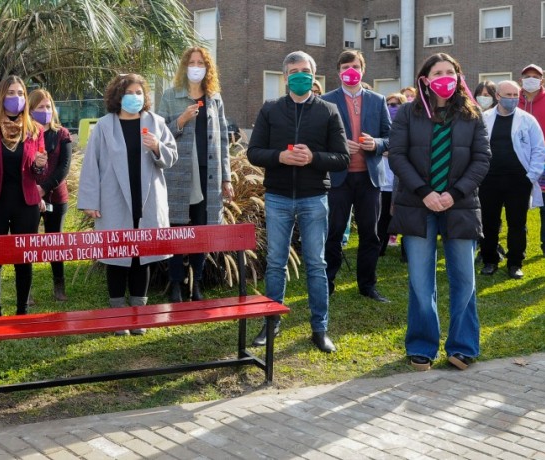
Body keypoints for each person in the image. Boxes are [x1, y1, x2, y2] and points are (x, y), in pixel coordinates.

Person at [388, 53, 490, 371]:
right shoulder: (407, 113)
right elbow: (398, 156)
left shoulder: (472, 115)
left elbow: (482, 159)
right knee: (420, 281)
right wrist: (425, 193)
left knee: (464, 278)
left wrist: (453, 193)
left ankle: (463, 346)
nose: (444, 77)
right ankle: (421, 346)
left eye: (451, 72)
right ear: (425, 79)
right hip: (418, 206)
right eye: (438, 72)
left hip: (460, 205)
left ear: (459, 78)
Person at [247, 51, 349, 352]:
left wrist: (313, 158)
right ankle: (271, 321)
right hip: (278, 197)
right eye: (294, 71)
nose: (300, 75)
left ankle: (319, 328)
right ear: (285, 77)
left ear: (314, 75)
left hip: (314, 198)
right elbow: (254, 152)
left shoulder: (328, 111)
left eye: (305, 70)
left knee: (316, 264)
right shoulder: (270, 110)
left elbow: (342, 157)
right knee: (277, 263)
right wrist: (280, 156)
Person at [77, 73, 177, 335]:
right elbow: (91, 166)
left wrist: (157, 147)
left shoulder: (156, 122)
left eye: (139, 92)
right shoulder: (103, 126)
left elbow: (172, 156)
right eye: (129, 92)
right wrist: (90, 200)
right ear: (118, 96)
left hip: (147, 200)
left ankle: (140, 315)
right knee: (116, 257)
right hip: (114, 199)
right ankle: (118, 314)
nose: (135, 97)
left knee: (141, 257)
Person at [159, 46, 233, 302]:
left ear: (207, 67)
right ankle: (177, 283)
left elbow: (223, 139)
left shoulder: (214, 97)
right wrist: (180, 120)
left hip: (208, 175)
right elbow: (160, 134)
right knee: (177, 228)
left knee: (203, 230)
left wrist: (227, 178)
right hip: (178, 174)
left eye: (200, 62)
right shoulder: (171, 95)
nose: (196, 66)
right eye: (191, 62)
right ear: (184, 66)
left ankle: (197, 283)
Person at [320, 50, 392, 303]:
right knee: (334, 232)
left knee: (370, 234)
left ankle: (367, 285)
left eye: (355, 66)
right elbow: (317, 138)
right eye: (346, 66)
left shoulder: (378, 100)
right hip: (338, 178)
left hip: (370, 178)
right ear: (338, 71)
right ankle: (327, 283)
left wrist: (378, 143)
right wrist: (338, 146)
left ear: (363, 69)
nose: (351, 70)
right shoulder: (326, 101)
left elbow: (391, 136)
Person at [0, 76, 47, 317]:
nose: (17, 98)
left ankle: (22, 313)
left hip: (26, 204)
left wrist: (39, 165)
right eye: (11, 93)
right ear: (1, 96)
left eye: (21, 93)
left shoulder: (35, 130)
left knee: (23, 261)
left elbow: (39, 173)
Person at [479, 80, 545, 279]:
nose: (512, 99)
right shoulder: (484, 118)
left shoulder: (528, 120)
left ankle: (515, 263)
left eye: (516, 95)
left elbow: (539, 149)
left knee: (517, 223)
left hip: (519, 181)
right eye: (507, 95)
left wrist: (530, 177)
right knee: (488, 222)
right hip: (489, 180)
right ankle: (490, 260)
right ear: (497, 96)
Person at [28, 88, 73, 301]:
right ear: (30, 110)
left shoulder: (62, 134)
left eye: (48, 106)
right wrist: (34, 192)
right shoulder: (25, 134)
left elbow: (63, 167)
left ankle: (59, 287)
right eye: (40, 107)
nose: (45, 111)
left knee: (55, 243)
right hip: (28, 198)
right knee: (28, 244)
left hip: (56, 196)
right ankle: (26, 291)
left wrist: (43, 189)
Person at [517, 64, 545, 257]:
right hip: (519, 160)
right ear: (521, 80)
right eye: (527, 76)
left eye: (535, 76)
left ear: (541, 80)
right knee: (519, 205)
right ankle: (519, 246)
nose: (530, 79)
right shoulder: (513, 100)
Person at [378, 93, 406, 258]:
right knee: (382, 219)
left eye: (395, 105)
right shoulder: (382, 127)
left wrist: (393, 153)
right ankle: (380, 247)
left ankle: (406, 251)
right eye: (389, 104)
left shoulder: (405, 128)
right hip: (383, 182)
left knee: (403, 217)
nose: (391, 108)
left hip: (400, 182)